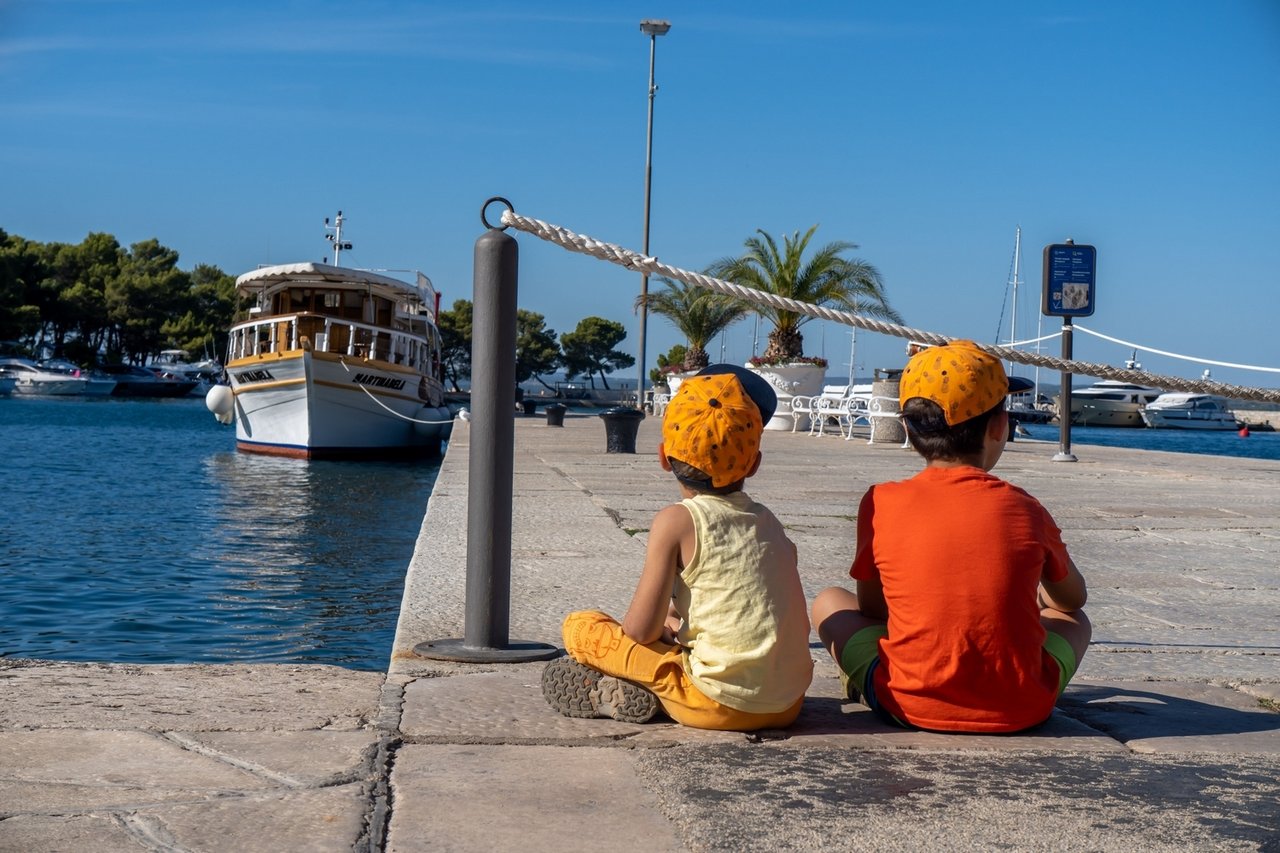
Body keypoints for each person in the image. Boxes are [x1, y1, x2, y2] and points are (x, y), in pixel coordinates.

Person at [811, 340, 1091, 733]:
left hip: (906, 704)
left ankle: (864, 681)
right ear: (998, 426)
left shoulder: (879, 501)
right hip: (1022, 709)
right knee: (1073, 621)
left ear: (908, 429)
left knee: (827, 600)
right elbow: (1073, 600)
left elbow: (873, 610)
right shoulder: (1026, 507)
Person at [542, 364, 813, 730]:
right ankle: (658, 689)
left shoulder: (675, 521)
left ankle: (649, 693)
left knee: (581, 625)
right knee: (674, 629)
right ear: (754, 465)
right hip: (788, 704)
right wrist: (675, 616)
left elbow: (639, 631)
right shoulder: (769, 523)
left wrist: (658, 625)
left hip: (716, 703)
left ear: (663, 457)